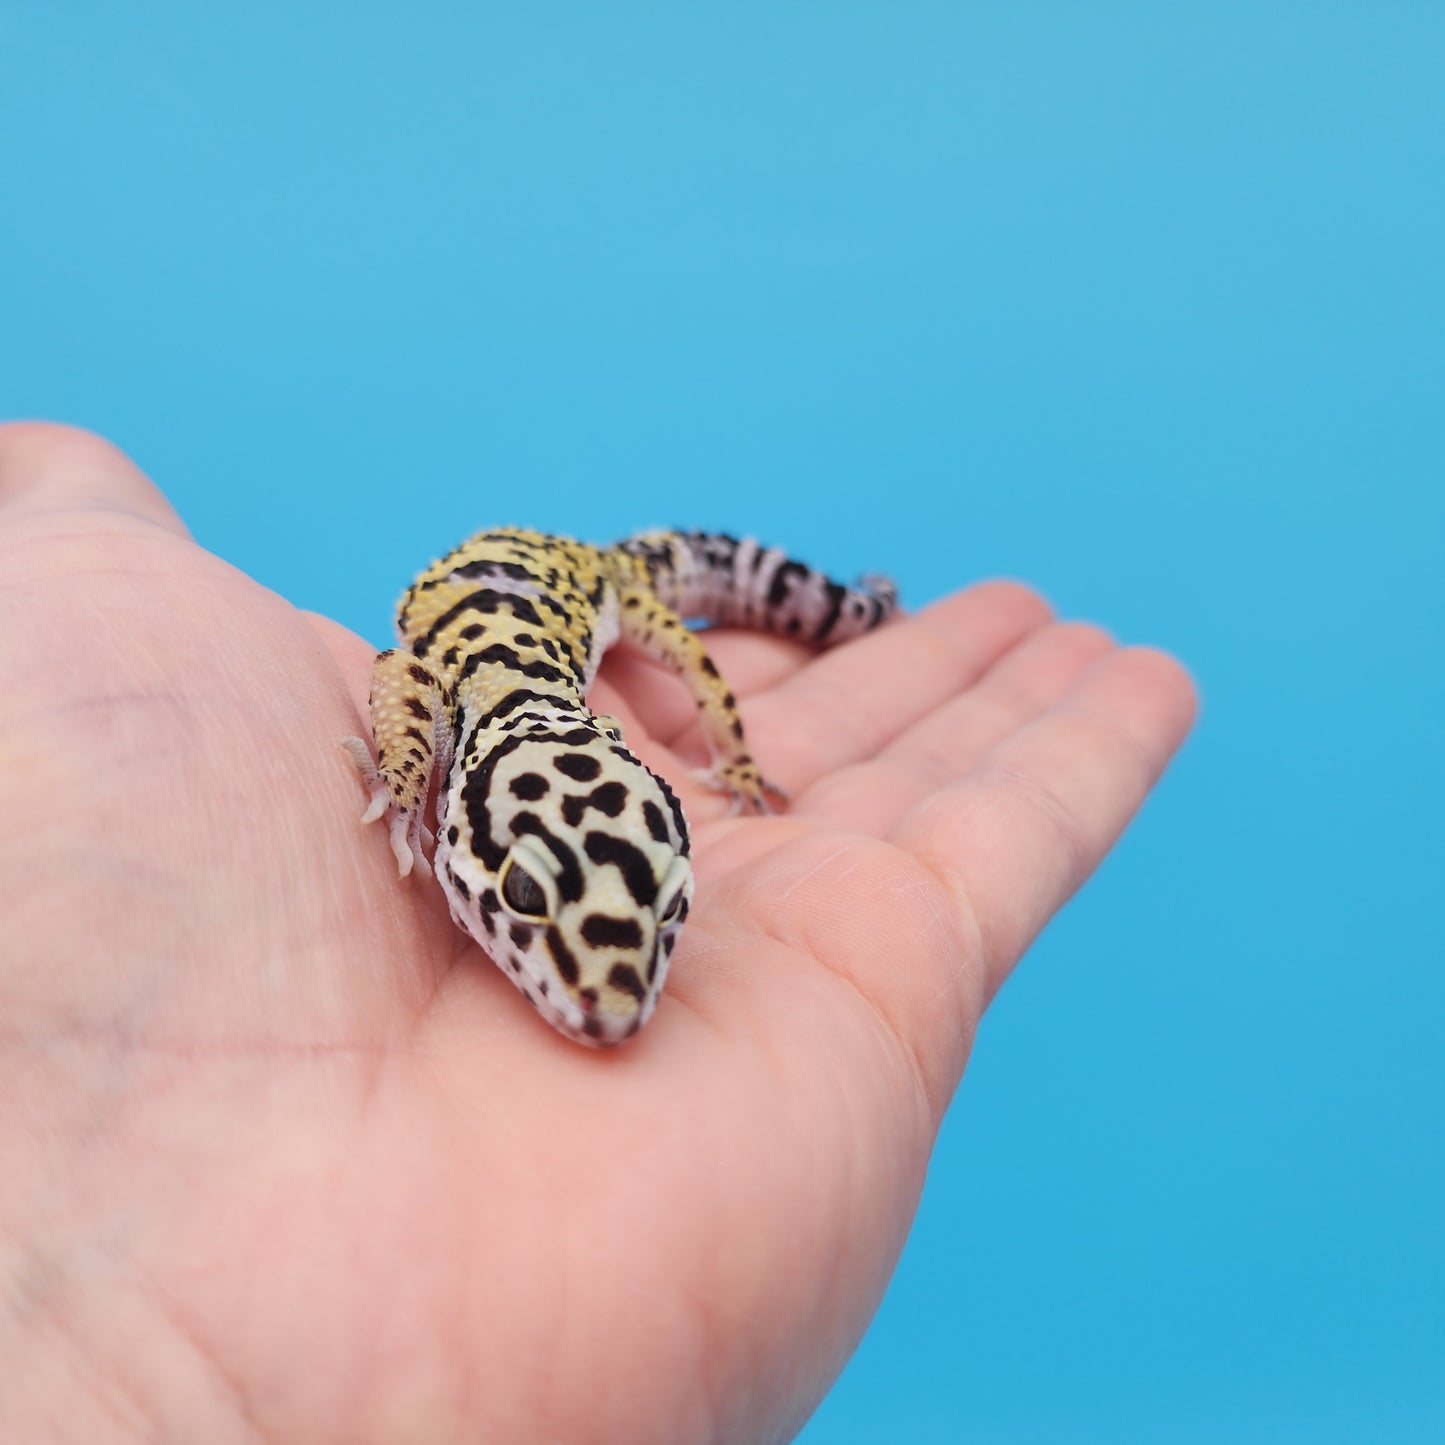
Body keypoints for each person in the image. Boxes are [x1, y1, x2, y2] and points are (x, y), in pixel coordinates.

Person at [0, 423, 1195, 1442]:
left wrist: (730, 746)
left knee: (694, 637)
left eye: (654, 921)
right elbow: (396, 683)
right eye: (537, 914)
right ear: (470, 832)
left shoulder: (590, 650)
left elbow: (667, 656)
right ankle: (842, 609)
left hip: (594, 586)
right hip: (525, 606)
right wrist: (404, 772)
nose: (609, 994)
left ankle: (844, 612)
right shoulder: (440, 697)